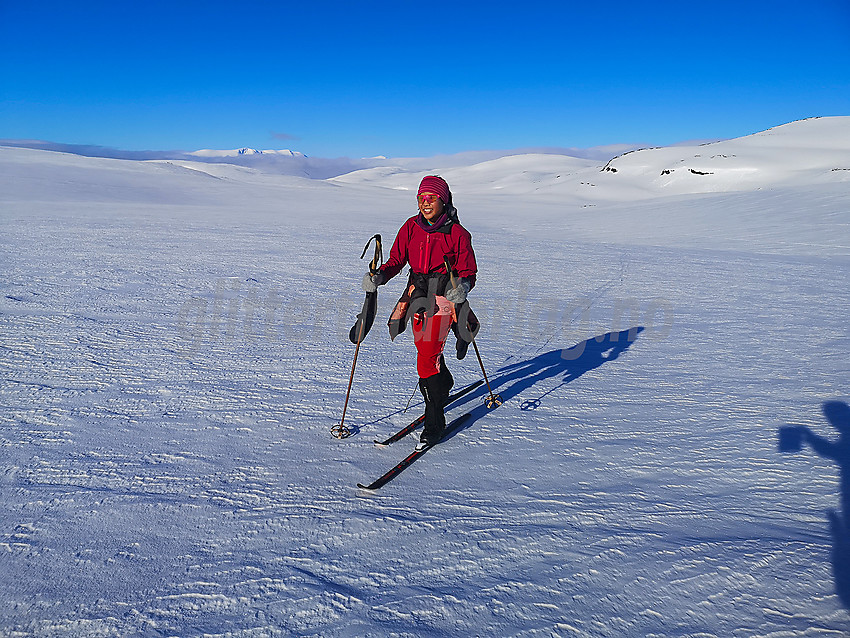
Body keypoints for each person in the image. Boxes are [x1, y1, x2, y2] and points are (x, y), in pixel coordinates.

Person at [362, 175, 478, 449]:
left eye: (431, 198)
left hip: (443, 299)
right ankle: (444, 380)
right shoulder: (411, 227)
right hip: (416, 295)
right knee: (424, 349)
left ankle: (435, 419)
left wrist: (462, 286)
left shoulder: (458, 234)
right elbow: (396, 261)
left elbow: (469, 272)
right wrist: (379, 277)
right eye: (421, 198)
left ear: (443, 200)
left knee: (426, 357)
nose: (425, 203)